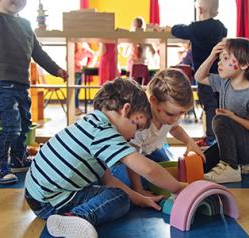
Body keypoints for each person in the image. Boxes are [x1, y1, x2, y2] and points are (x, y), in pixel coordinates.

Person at [24, 78, 186, 238]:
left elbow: (108, 181)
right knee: (119, 198)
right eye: (136, 126)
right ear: (126, 109)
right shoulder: (105, 132)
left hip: (38, 195)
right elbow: (148, 169)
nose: (134, 135)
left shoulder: (93, 122)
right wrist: (179, 188)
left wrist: (140, 199)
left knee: (115, 191)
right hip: (50, 202)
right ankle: (76, 218)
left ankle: (71, 216)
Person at [0, 0, 68, 184]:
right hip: (2, 86)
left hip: (21, 87)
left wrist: (56, 70)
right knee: (11, 127)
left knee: (25, 126)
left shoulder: (26, 25)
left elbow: (39, 54)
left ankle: (18, 159)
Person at [111, 69, 205, 195]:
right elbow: (132, 161)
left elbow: (175, 128)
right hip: (123, 161)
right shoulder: (140, 124)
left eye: (182, 113)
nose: (176, 118)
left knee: (168, 172)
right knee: (149, 179)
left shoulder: (168, 117)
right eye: (171, 114)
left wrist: (189, 142)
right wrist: (139, 190)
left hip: (148, 152)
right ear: (153, 101)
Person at [194, 38, 249, 183]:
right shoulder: (224, 83)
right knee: (201, 164)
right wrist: (212, 55)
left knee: (221, 120)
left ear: (244, 64)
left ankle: (231, 168)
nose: (219, 62)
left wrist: (233, 117)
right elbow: (199, 77)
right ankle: (243, 167)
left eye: (225, 58)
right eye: (220, 58)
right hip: (232, 145)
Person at [171, 0, 227, 147]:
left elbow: (177, 30)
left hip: (203, 75)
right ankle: (219, 135)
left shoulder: (194, 28)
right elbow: (225, 31)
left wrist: (173, 27)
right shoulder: (219, 26)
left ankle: (211, 138)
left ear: (200, 10)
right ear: (215, 12)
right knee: (218, 105)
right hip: (219, 74)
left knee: (208, 106)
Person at [74, 42, 97, 116]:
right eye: (80, 43)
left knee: (78, 91)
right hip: (74, 73)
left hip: (80, 73)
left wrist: (89, 63)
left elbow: (93, 54)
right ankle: (75, 108)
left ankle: (76, 108)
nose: (81, 44)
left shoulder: (84, 51)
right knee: (75, 92)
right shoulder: (74, 51)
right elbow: (71, 60)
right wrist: (80, 64)